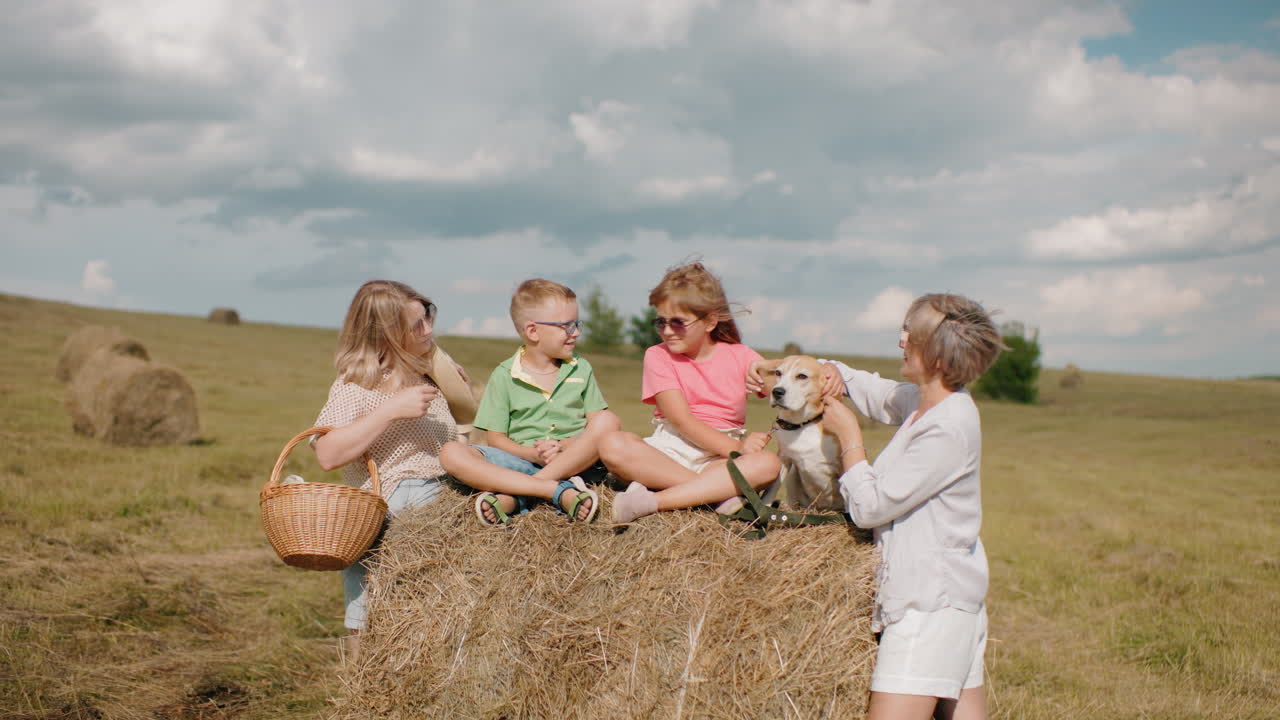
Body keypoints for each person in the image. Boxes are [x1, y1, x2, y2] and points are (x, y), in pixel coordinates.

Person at [752, 293, 1002, 720]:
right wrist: (834, 373)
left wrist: (850, 437)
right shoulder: (929, 403)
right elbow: (879, 393)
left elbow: (868, 508)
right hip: (951, 602)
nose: (901, 340)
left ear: (939, 356)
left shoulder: (948, 427)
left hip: (929, 607)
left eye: (912, 334)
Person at [310, 280, 467, 661]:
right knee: (370, 621)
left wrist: (459, 391)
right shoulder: (356, 385)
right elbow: (328, 454)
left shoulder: (431, 379)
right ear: (386, 333)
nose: (428, 330)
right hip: (388, 521)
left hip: (443, 509)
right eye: (416, 325)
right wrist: (389, 411)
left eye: (427, 316)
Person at [601, 261, 781, 523]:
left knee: (768, 464)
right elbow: (681, 421)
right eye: (660, 322)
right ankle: (714, 495)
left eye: (678, 323)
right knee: (612, 444)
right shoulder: (657, 355)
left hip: (717, 459)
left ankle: (653, 501)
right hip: (669, 450)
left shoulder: (741, 356)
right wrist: (739, 449)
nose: (667, 331)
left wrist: (767, 369)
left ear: (709, 321)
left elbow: (783, 383)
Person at [439, 279, 620, 525]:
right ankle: (554, 490)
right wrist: (533, 454)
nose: (575, 332)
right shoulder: (503, 375)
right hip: (519, 462)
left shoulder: (581, 368)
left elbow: (598, 426)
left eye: (577, 324)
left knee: (609, 420)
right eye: (566, 326)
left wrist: (564, 446)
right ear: (533, 331)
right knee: (451, 453)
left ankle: (520, 495)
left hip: (576, 461)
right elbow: (496, 440)